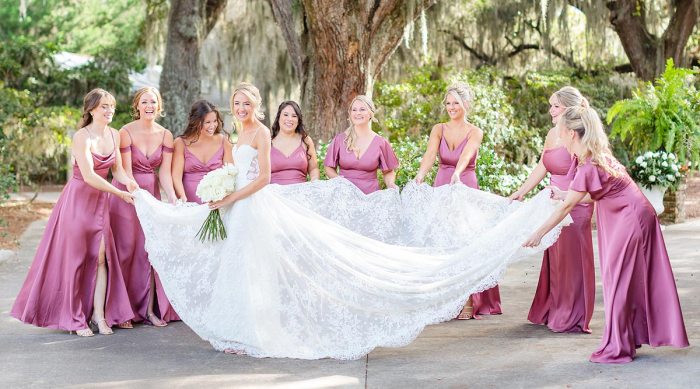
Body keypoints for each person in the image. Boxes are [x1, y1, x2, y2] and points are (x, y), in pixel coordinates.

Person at [523, 105, 689, 363]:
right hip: (629, 215)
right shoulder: (592, 156)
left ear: (570, 133)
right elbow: (592, 194)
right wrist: (566, 194)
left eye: (560, 130)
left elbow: (570, 206)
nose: (558, 134)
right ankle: (630, 334)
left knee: (619, 279)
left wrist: (538, 233)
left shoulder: (588, 162)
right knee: (624, 279)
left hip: (628, 219)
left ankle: (619, 345)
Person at [11, 88, 137, 336]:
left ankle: (99, 316)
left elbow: (118, 170)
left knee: (102, 259)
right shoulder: (82, 137)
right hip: (78, 202)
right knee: (77, 260)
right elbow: (89, 175)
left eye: (111, 106)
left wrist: (129, 182)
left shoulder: (114, 134)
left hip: (101, 203)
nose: (109, 110)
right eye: (104, 106)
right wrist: (119, 193)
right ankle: (75, 318)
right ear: (91, 109)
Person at [509, 86, 595, 333]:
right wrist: (522, 191)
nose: (550, 110)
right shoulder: (551, 133)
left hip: (574, 203)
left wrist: (570, 197)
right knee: (555, 259)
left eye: (555, 106)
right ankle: (553, 309)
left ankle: (572, 315)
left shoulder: (582, 134)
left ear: (570, 108)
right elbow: (542, 166)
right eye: (551, 105)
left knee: (571, 260)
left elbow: (588, 174)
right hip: (551, 203)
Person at [415, 82, 500, 320]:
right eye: (448, 103)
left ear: (466, 105)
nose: (451, 107)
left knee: (465, 241)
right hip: (441, 184)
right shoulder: (438, 129)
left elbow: (466, 154)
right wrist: (421, 175)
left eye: (456, 103)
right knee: (442, 241)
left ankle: (468, 302)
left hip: (464, 185)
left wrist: (457, 173)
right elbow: (430, 154)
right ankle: (443, 300)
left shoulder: (475, 131)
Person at [109, 87, 179, 328]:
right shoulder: (125, 132)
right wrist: (137, 194)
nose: (149, 106)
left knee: (150, 252)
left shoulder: (166, 135)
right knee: (127, 250)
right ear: (137, 106)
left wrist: (172, 199)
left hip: (152, 195)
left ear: (159, 106)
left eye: (154, 102)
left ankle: (149, 310)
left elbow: (166, 175)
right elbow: (126, 171)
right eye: (145, 102)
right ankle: (123, 311)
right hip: (128, 195)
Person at [324, 95, 399, 194]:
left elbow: (388, 171)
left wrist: (390, 185)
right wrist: (339, 181)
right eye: (354, 110)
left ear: (371, 113)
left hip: (370, 197)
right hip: (343, 195)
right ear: (350, 114)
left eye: (362, 109)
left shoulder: (381, 143)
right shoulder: (340, 140)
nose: (358, 113)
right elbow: (329, 167)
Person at [172, 100, 233, 203]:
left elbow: (230, 174)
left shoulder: (223, 141)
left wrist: (222, 199)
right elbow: (176, 177)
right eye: (208, 122)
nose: (213, 126)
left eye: (215, 121)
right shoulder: (181, 143)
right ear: (196, 122)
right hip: (189, 204)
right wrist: (183, 199)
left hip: (216, 203)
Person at [270, 101, 320, 184]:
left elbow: (313, 169)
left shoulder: (306, 140)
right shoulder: (268, 142)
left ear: (298, 120)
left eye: (294, 116)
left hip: (300, 193)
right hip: (274, 194)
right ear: (278, 117)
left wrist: (314, 185)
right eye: (285, 115)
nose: (289, 119)